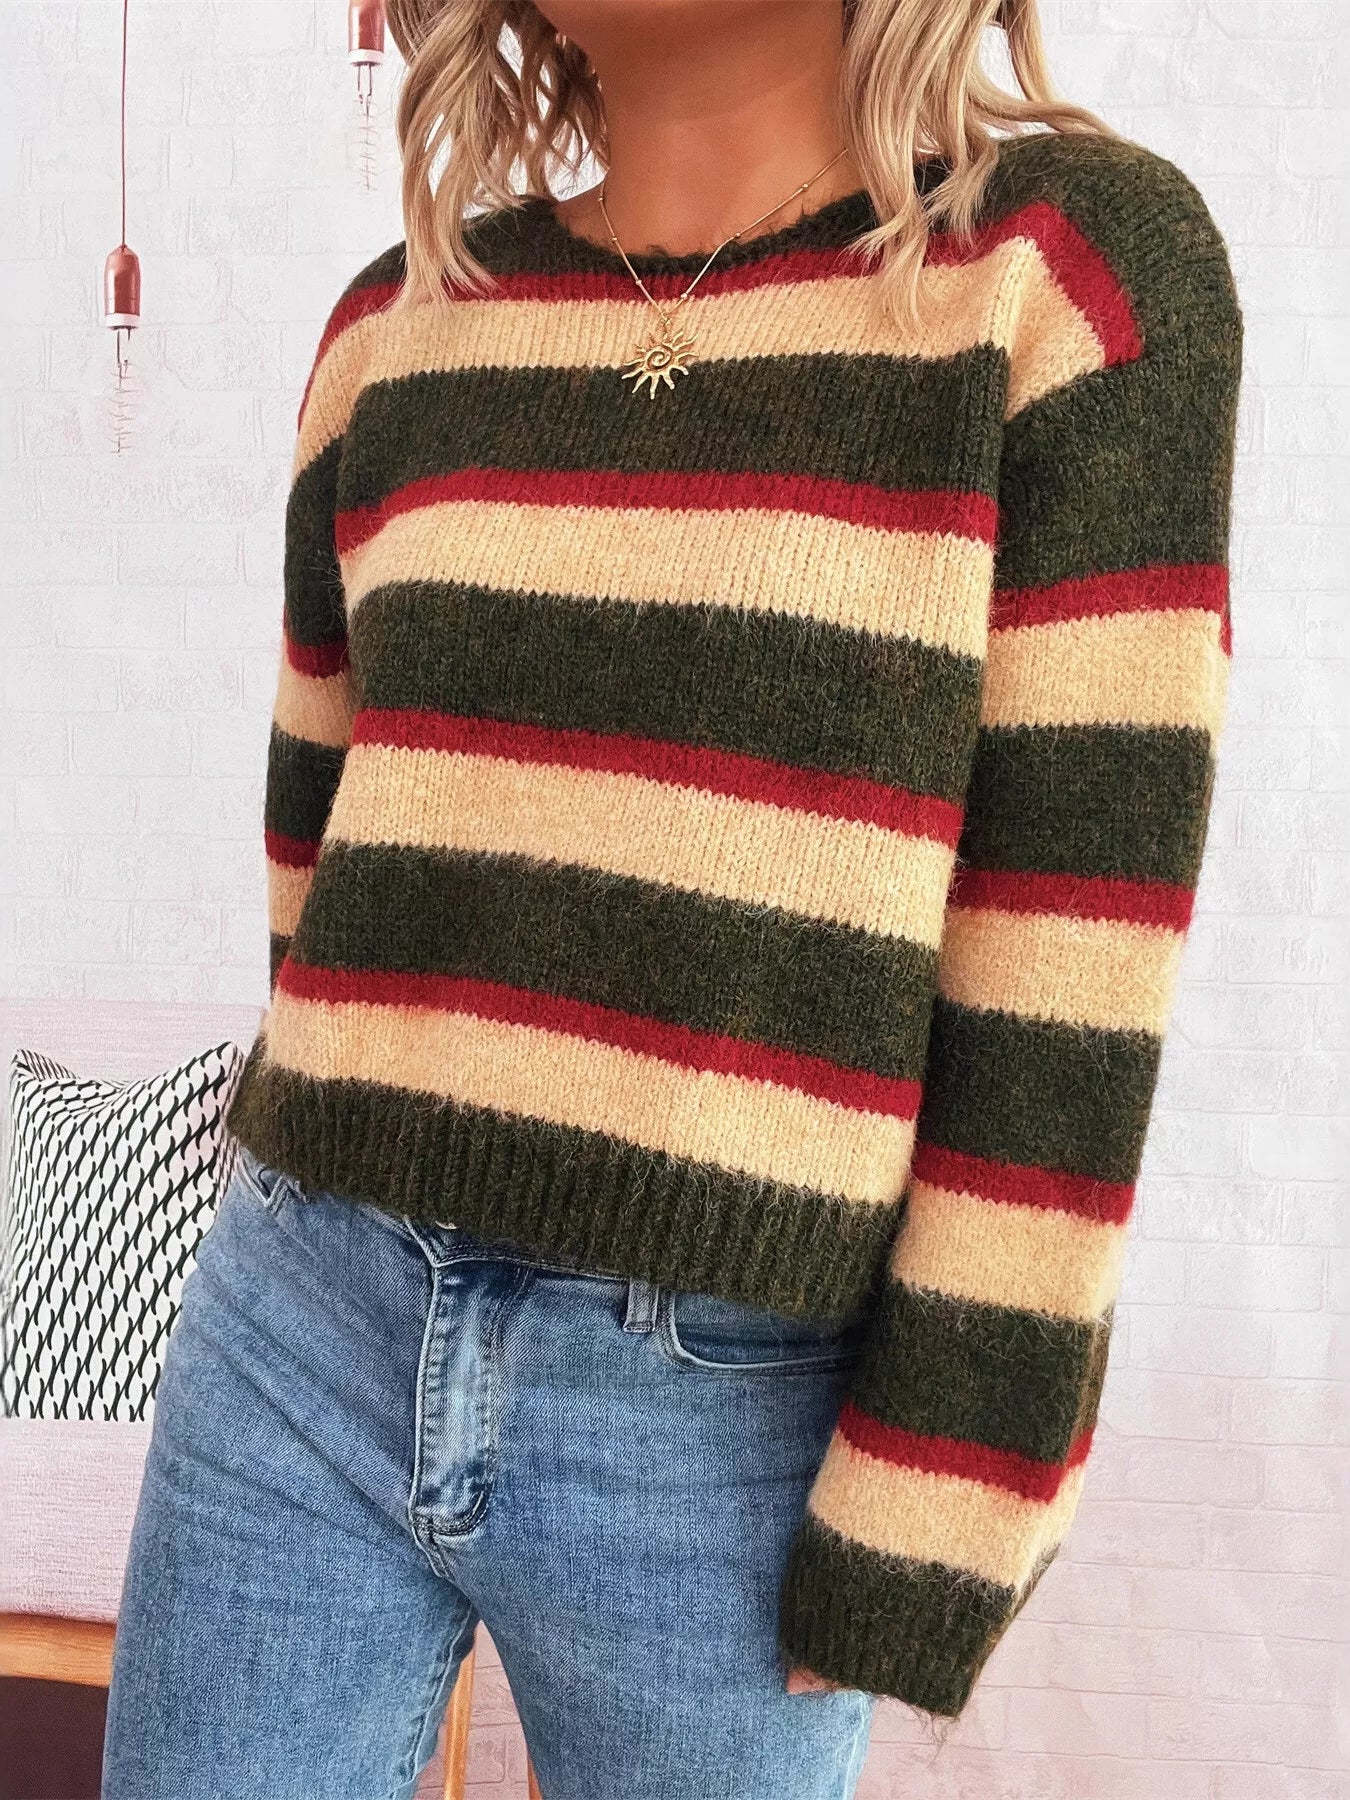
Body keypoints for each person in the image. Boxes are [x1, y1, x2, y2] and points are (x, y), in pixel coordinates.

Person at [101, 2, 1242, 1796]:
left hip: (726, 1411)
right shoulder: (393, 332)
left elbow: (1067, 967)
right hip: (297, 1323)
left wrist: (946, 1490)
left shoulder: (1057, 282)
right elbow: (315, 887)